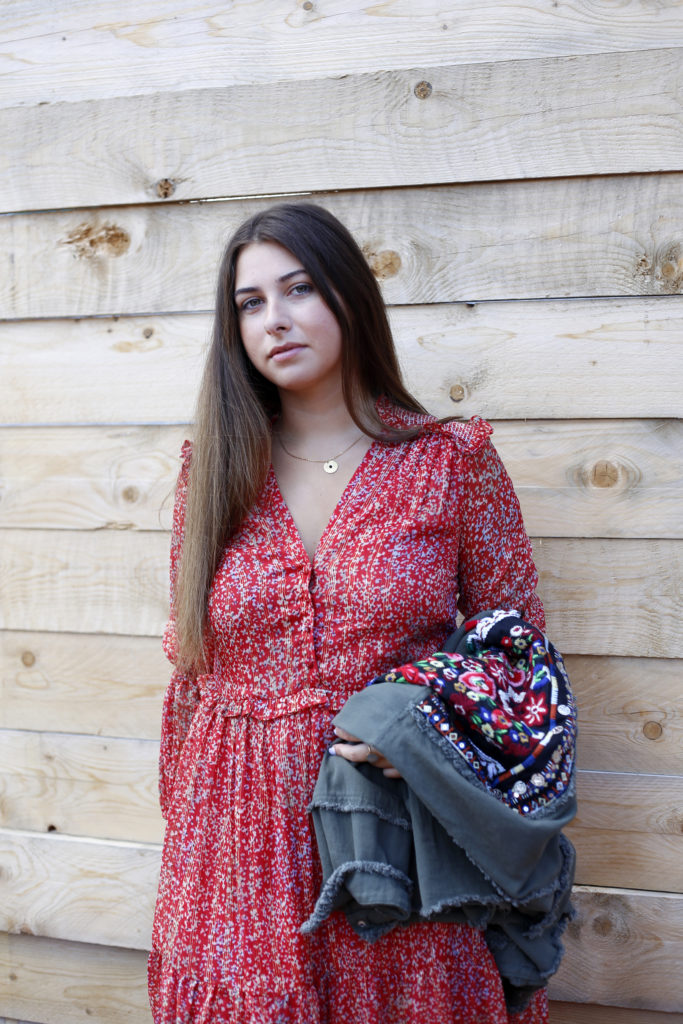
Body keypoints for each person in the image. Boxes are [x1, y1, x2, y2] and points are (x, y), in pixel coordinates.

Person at [148, 202, 550, 1023]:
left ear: (349, 297)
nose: (274, 318)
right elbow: (191, 675)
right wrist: (186, 839)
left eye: (298, 288)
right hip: (233, 846)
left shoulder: (448, 463)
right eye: (250, 303)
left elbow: (520, 655)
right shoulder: (214, 474)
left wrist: (435, 732)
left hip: (393, 836)